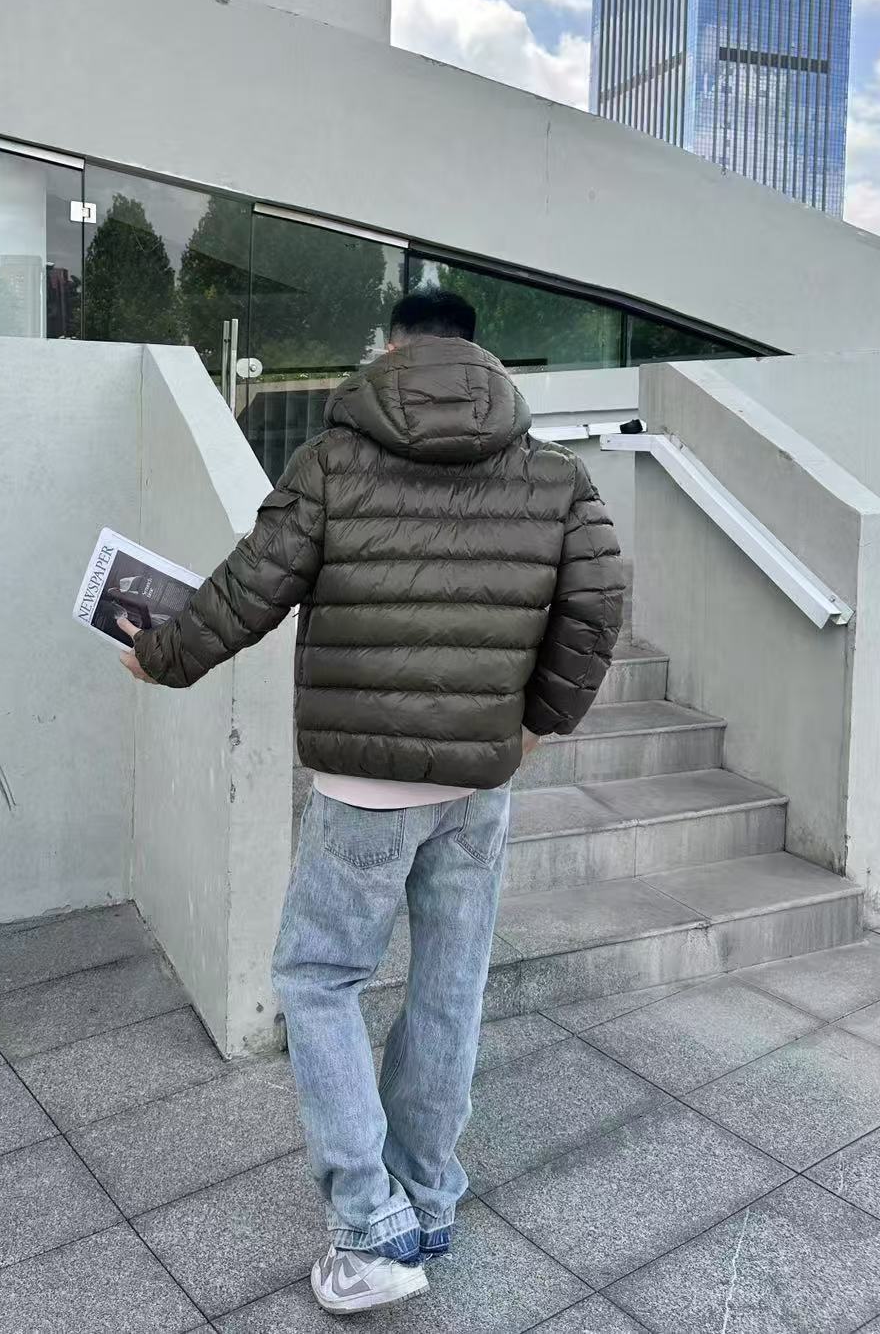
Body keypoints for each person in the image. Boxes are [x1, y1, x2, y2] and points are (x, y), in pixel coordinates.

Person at [119, 287, 625, 1314]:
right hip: (478, 783)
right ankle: (427, 1198)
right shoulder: (554, 473)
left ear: (391, 351)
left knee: (317, 979)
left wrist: (160, 656)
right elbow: (599, 603)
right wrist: (536, 724)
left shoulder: (333, 460)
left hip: (361, 786)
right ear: (475, 357)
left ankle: (369, 1219)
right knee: (448, 985)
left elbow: (248, 589)